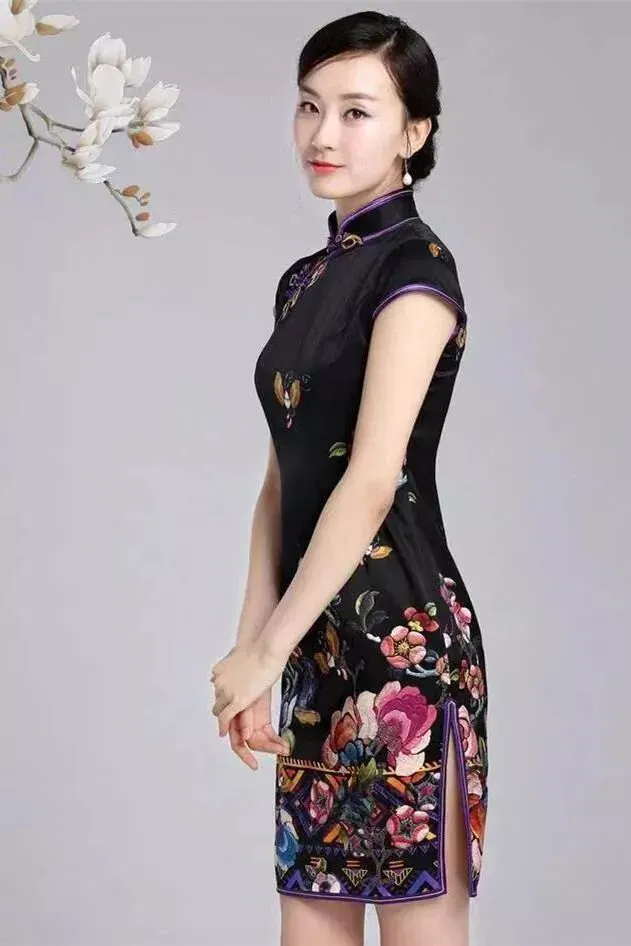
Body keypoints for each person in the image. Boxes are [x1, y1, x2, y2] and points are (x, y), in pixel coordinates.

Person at [209, 11, 489, 946]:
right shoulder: (302, 281)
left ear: (415, 131)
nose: (322, 133)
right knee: (307, 926)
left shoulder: (417, 270)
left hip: (403, 653)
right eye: (308, 106)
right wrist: (256, 654)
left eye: (357, 111)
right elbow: (280, 484)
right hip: (314, 650)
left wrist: (267, 650)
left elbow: (370, 482)